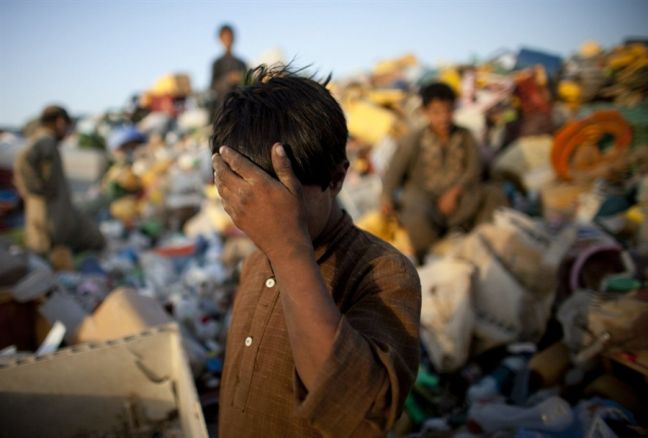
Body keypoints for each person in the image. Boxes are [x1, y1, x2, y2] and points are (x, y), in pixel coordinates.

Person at [211, 66, 421, 437]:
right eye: (250, 196)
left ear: (336, 178)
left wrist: (289, 250)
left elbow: (364, 413)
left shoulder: (385, 273)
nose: (264, 217)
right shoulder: (256, 262)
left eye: (283, 199)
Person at [381, 82, 505, 263]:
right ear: (425, 112)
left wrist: (455, 192)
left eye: (448, 111)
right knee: (415, 215)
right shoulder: (413, 140)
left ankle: (481, 246)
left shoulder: (465, 135)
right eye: (436, 113)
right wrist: (386, 200)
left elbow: (474, 168)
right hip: (426, 200)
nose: (444, 118)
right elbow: (393, 173)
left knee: (494, 195)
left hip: (459, 199)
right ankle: (429, 257)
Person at [14, 105, 104, 254]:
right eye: (67, 127)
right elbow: (23, 160)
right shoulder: (45, 140)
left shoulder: (46, 141)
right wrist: (36, 189)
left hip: (51, 216)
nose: (67, 132)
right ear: (60, 122)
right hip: (47, 218)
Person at [209, 24, 247, 121]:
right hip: (222, 109)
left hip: (241, 108)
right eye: (225, 37)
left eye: (230, 37)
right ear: (220, 40)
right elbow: (212, 86)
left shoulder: (241, 63)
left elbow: (248, 83)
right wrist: (227, 80)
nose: (228, 40)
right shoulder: (217, 63)